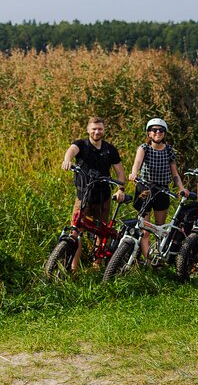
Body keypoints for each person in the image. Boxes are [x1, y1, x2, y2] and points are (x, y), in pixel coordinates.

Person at [61, 116, 126, 270]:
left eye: (100, 129)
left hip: (103, 196)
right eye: (94, 129)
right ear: (88, 130)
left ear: (104, 130)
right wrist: (67, 160)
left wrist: (120, 189)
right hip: (83, 195)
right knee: (76, 230)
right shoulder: (81, 145)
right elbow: (71, 150)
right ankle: (74, 267)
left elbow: (120, 173)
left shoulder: (110, 149)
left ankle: (97, 265)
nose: (97, 132)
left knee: (101, 231)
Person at [128, 118, 189, 258]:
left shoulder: (169, 150)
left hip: (162, 190)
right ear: (149, 133)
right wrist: (134, 172)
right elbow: (137, 161)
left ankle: (158, 256)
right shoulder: (144, 148)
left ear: (164, 133)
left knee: (159, 228)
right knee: (145, 228)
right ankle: (147, 260)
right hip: (145, 188)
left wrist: (181, 187)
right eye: (154, 130)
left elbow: (175, 172)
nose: (157, 133)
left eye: (161, 130)